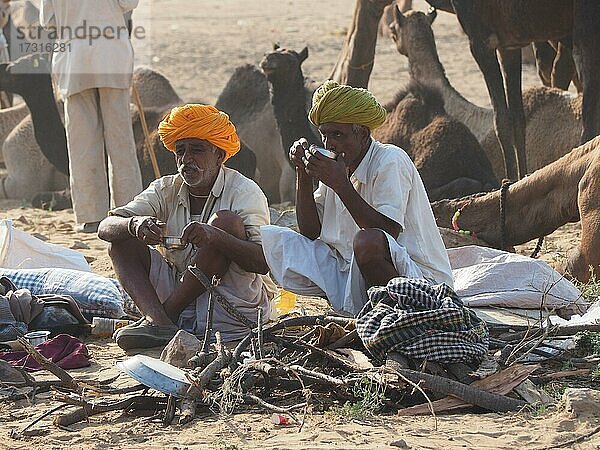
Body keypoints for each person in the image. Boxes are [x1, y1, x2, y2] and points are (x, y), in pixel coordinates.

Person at [261, 80, 453, 316]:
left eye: (338, 134)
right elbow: (311, 232)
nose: (329, 144)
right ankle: (364, 308)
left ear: (362, 134)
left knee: (367, 241)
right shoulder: (337, 165)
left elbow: (386, 232)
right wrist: (302, 172)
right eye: (324, 135)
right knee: (279, 240)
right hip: (355, 271)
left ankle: (396, 314)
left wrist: (341, 184)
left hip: (418, 279)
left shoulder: (389, 160)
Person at [98, 104, 276, 350]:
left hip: (229, 308)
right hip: (177, 290)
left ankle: (165, 319)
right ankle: (158, 321)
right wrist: (135, 224)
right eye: (180, 151)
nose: (186, 160)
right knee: (121, 241)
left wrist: (215, 236)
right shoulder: (166, 188)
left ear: (219, 155)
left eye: (197, 150)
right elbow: (105, 226)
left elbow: (260, 263)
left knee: (225, 223)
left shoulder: (244, 192)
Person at [40, 0, 142, 232]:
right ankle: (129, 211)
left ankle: (91, 215)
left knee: (82, 143)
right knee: (121, 141)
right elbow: (129, 3)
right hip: (112, 57)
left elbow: (49, 22)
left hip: (74, 62)